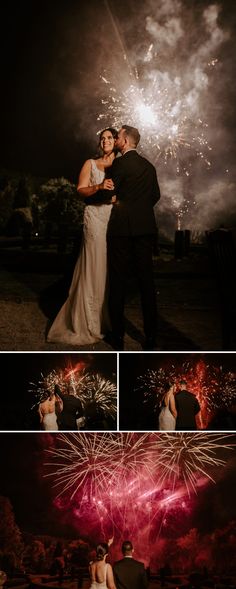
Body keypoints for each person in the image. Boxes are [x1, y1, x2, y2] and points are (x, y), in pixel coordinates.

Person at [47, 127, 118, 346]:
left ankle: (106, 320)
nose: (105, 141)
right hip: (95, 218)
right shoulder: (90, 163)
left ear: (116, 141)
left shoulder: (122, 164)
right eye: (102, 138)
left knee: (108, 268)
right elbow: (80, 190)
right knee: (93, 266)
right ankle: (87, 321)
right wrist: (98, 185)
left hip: (113, 219)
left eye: (109, 138)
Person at [104, 125, 160, 351]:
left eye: (118, 136)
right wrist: (141, 211)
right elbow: (155, 195)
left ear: (125, 140)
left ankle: (117, 337)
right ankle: (151, 336)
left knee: (118, 282)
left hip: (122, 231)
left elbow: (110, 191)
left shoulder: (119, 164)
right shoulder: (149, 167)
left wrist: (118, 201)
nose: (116, 139)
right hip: (145, 229)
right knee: (147, 283)